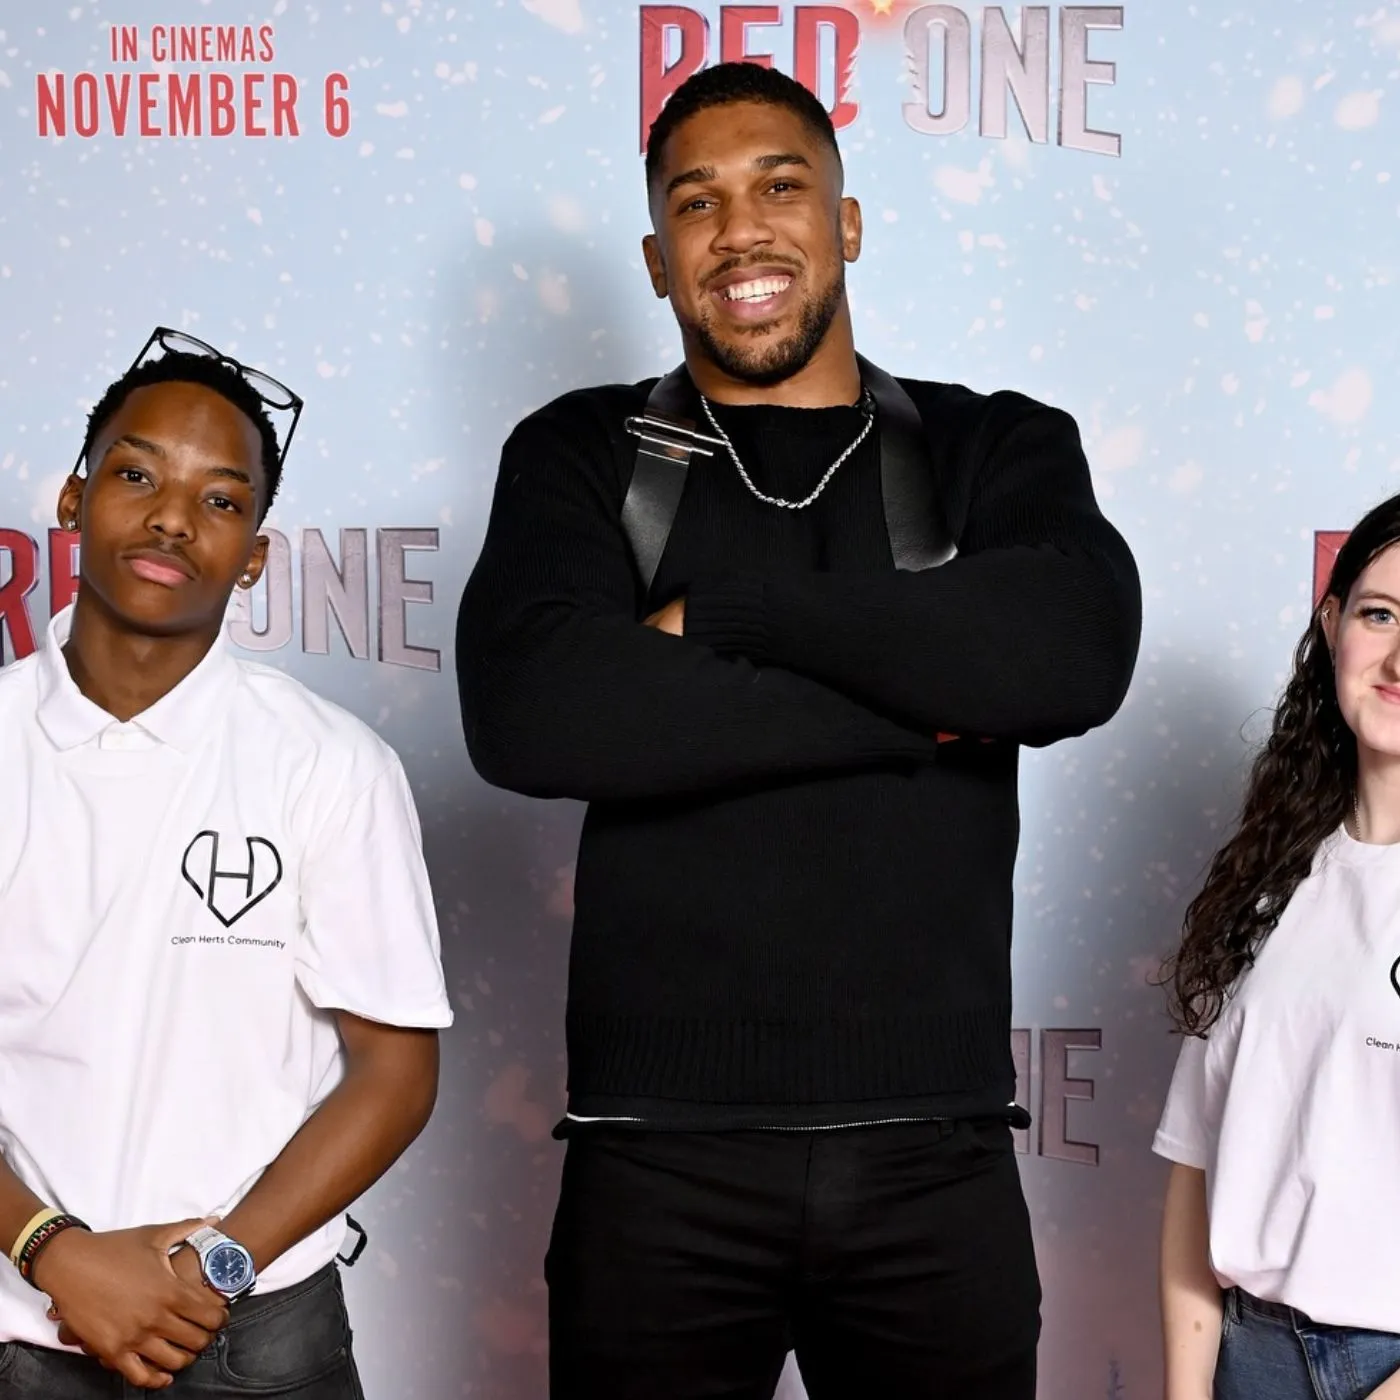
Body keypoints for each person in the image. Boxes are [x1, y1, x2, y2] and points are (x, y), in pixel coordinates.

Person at [458, 62, 1140, 1400]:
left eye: (782, 185)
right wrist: (924, 703)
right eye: (697, 203)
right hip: (654, 1166)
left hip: (934, 1162)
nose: (743, 230)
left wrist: (722, 612)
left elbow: (1069, 655)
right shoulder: (588, 453)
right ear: (659, 260)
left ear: (849, 221)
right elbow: (533, 713)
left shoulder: (989, 447)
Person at [0, 330, 452, 1397]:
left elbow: (394, 1072)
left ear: (253, 552)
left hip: (258, 1334)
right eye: (137, 473)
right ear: (73, 498)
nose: (170, 517)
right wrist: (54, 1248)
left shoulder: (331, 764)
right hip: (22, 1322)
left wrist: (215, 1262)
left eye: (219, 499)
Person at [1155, 494, 1400, 1400]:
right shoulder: (1269, 882)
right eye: (1381, 616)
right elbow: (1196, 1166)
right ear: (1333, 624)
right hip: (1248, 1357)